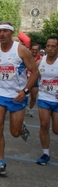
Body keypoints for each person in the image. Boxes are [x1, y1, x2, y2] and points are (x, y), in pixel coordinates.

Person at [0, 22, 39, 177]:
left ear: (11, 33)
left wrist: (25, 90)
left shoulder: (21, 50)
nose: (2, 34)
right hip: (0, 93)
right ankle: (1, 162)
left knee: (14, 132)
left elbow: (34, 72)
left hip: (17, 95)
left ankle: (21, 128)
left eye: (5, 31)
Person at [35, 36, 58, 165]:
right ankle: (45, 154)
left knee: (56, 129)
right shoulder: (40, 62)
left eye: (53, 46)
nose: (49, 48)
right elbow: (33, 76)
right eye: (48, 45)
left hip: (57, 100)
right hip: (44, 97)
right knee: (44, 125)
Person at [26, 44, 42, 117]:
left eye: (36, 49)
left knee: (33, 96)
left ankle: (29, 109)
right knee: (23, 95)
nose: (34, 51)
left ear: (38, 50)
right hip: (25, 78)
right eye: (33, 49)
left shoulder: (41, 59)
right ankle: (20, 108)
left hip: (35, 79)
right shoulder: (26, 57)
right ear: (31, 49)